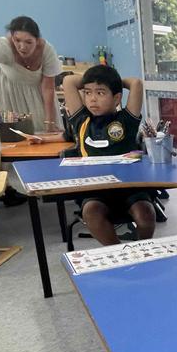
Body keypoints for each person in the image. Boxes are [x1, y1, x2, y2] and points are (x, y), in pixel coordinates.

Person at [63, 65, 155, 246]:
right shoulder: (81, 120)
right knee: (91, 212)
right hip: (97, 190)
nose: (92, 99)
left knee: (146, 216)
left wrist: (112, 80)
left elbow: (136, 84)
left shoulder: (126, 120)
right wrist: (98, 79)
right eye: (88, 92)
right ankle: (119, 252)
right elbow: (68, 81)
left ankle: (141, 249)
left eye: (101, 93)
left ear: (117, 98)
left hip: (130, 187)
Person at [0, 16, 64, 138]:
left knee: (46, 135)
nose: (22, 47)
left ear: (37, 40)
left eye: (28, 42)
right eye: (17, 40)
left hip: (38, 97)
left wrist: (50, 122)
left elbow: (48, 88)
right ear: (12, 37)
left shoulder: (47, 51)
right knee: (12, 136)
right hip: (9, 95)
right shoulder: (3, 47)